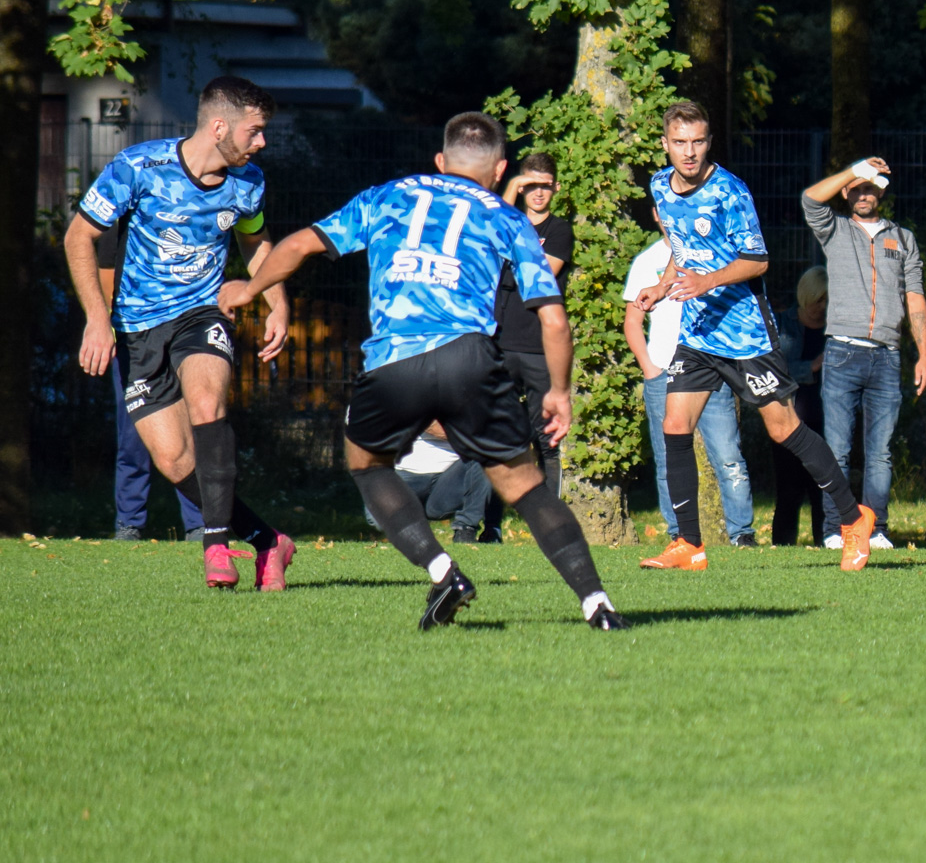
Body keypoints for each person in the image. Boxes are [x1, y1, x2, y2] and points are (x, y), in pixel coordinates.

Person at [218, 111, 627, 630]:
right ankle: (597, 604)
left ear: (439, 160)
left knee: (367, 464)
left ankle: (443, 572)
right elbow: (553, 318)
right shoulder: (507, 218)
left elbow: (298, 245)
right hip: (470, 359)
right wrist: (560, 392)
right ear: (500, 170)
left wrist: (250, 289)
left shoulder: (387, 196)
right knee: (526, 486)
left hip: (395, 361)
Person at [63, 76, 297, 590]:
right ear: (220, 128)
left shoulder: (249, 182)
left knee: (207, 404)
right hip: (137, 330)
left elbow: (255, 241)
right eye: (255, 131)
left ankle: (215, 546)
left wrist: (277, 303)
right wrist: (98, 319)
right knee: (173, 461)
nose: (262, 142)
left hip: (201, 315)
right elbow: (79, 236)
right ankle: (268, 540)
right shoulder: (138, 167)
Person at [634, 100, 876, 572]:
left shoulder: (730, 191)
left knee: (784, 429)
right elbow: (681, 249)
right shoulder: (660, 186)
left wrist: (706, 281)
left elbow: (758, 260)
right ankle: (688, 544)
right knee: (675, 425)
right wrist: (663, 286)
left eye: (698, 142)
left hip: (745, 335)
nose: (689, 152)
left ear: (709, 142)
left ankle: (853, 519)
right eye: (680, 143)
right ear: (665, 144)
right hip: (697, 333)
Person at [802, 157, 926, 550]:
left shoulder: (903, 238)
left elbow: (915, 297)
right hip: (842, 352)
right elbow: (810, 199)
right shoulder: (835, 230)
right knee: (837, 451)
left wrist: (924, 354)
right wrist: (855, 169)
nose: (862, 194)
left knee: (880, 455)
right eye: (856, 188)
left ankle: (876, 530)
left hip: (887, 357)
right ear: (846, 192)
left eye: (869, 187)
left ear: (881, 193)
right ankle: (836, 529)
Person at [622, 234, 759, 547]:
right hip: (663, 371)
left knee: (728, 455)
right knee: (668, 458)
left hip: (709, 368)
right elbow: (633, 320)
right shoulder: (647, 261)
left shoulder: (710, 252)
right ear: (656, 214)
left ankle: (742, 534)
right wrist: (649, 367)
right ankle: (680, 535)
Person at [482, 152, 574, 540]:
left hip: (539, 348)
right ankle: (487, 525)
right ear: (520, 187)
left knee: (547, 440)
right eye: (529, 185)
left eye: (545, 186)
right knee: (495, 436)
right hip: (500, 343)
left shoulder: (559, 230)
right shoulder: (507, 220)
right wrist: (509, 191)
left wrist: (506, 263)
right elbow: (487, 243)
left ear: (556, 188)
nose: (538, 193)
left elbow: (539, 275)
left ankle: (549, 527)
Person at [98, 218, 206, 541]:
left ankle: (200, 523)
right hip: (134, 342)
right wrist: (110, 328)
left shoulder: (190, 211)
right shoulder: (121, 217)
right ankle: (129, 523)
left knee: (191, 432)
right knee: (133, 438)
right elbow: (106, 274)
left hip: (183, 336)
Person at [771, 266, 829, 546]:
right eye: (818, 299)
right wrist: (811, 367)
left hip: (826, 419)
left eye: (827, 300)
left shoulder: (834, 330)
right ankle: (782, 546)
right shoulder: (783, 325)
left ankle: (827, 542)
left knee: (822, 490)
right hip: (789, 420)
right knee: (788, 491)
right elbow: (776, 372)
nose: (823, 307)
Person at [366, 423, 492, 546]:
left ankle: (465, 530)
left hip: (451, 478)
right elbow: (431, 425)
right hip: (408, 474)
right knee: (377, 519)